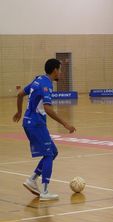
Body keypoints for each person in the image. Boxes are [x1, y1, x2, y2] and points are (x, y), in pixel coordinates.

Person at [13, 58, 76, 201]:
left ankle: (32, 179)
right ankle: (45, 191)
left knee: (53, 152)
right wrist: (65, 124)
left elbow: (20, 94)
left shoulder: (38, 80)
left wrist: (19, 112)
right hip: (36, 124)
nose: (60, 73)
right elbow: (47, 108)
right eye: (60, 70)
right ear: (55, 70)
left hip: (29, 122)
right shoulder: (46, 84)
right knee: (48, 154)